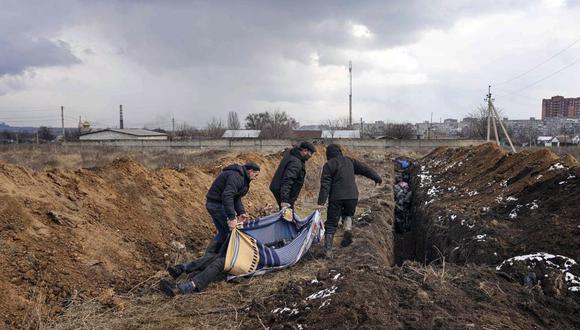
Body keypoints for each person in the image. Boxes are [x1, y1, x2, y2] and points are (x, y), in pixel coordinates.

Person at [163, 161, 260, 284]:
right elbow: (227, 195)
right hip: (217, 205)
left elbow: (236, 197)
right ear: (250, 171)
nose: (256, 178)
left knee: (223, 233)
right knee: (230, 234)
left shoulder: (242, 178)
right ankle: (216, 262)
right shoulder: (237, 177)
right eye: (256, 175)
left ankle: (207, 259)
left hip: (216, 204)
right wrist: (231, 217)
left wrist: (241, 212)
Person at [317, 144, 382, 258]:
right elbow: (365, 169)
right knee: (348, 215)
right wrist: (376, 177)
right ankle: (347, 230)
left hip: (336, 197)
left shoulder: (329, 165)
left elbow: (325, 185)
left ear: (328, 154)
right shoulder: (349, 161)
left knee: (332, 223)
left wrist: (321, 202)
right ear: (339, 152)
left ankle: (328, 250)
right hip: (352, 196)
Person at [269, 141, 316, 209]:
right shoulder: (295, 162)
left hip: (283, 192)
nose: (310, 156)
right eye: (310, 153)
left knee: (288, 214)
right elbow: (288, 180)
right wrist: (284, 200)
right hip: (284, 193)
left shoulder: (293, 156)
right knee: (287, 215)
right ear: (305, 150)